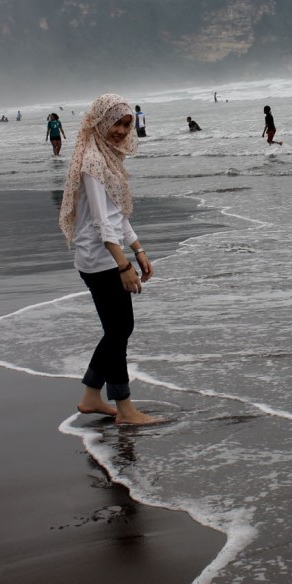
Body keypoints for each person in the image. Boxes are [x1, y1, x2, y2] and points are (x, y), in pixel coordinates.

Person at [59, 94, 162, 426]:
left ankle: (92, 394)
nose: (121, 131)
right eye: (116, 123)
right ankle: (125, 409)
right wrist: (124, 265)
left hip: (106, 255)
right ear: (100, 121)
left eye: (126, 124)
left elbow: (118, 215)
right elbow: (103, 225)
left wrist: (139, 249)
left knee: (117, 329)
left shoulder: (108, 157)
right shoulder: (92, 162)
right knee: (120, 329)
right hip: (100, 258)